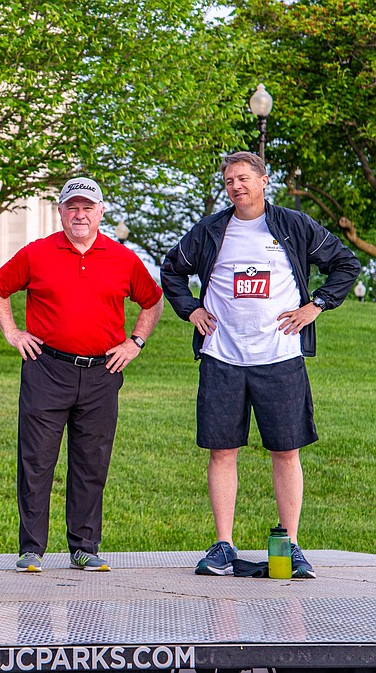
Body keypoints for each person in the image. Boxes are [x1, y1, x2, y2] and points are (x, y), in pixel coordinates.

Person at [160, 151, 360, 579]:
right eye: (230, 180)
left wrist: (317, 305)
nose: (236, 186)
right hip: (222, 358)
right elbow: (172, 270)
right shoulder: (211, 229)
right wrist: (190, 310)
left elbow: (346, 263)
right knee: (222, 451)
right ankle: (223, 546)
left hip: (280, 359)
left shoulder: (293, 225)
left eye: (244, 178)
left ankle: (290, 546)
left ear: (264, 181)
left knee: (286, 452)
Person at [0, 177, 164, 572]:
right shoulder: (37, 253)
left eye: (88, 207)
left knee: (91, 462)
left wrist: (135, 342)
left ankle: (84, 546)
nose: (80, 215)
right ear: (61, 212)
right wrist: (12, 332)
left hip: (102, 372)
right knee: (36, 460)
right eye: (72, 207)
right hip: (46, 369)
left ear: (101, 212)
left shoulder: (122, 257)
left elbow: (152, 301)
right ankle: (31, 549)